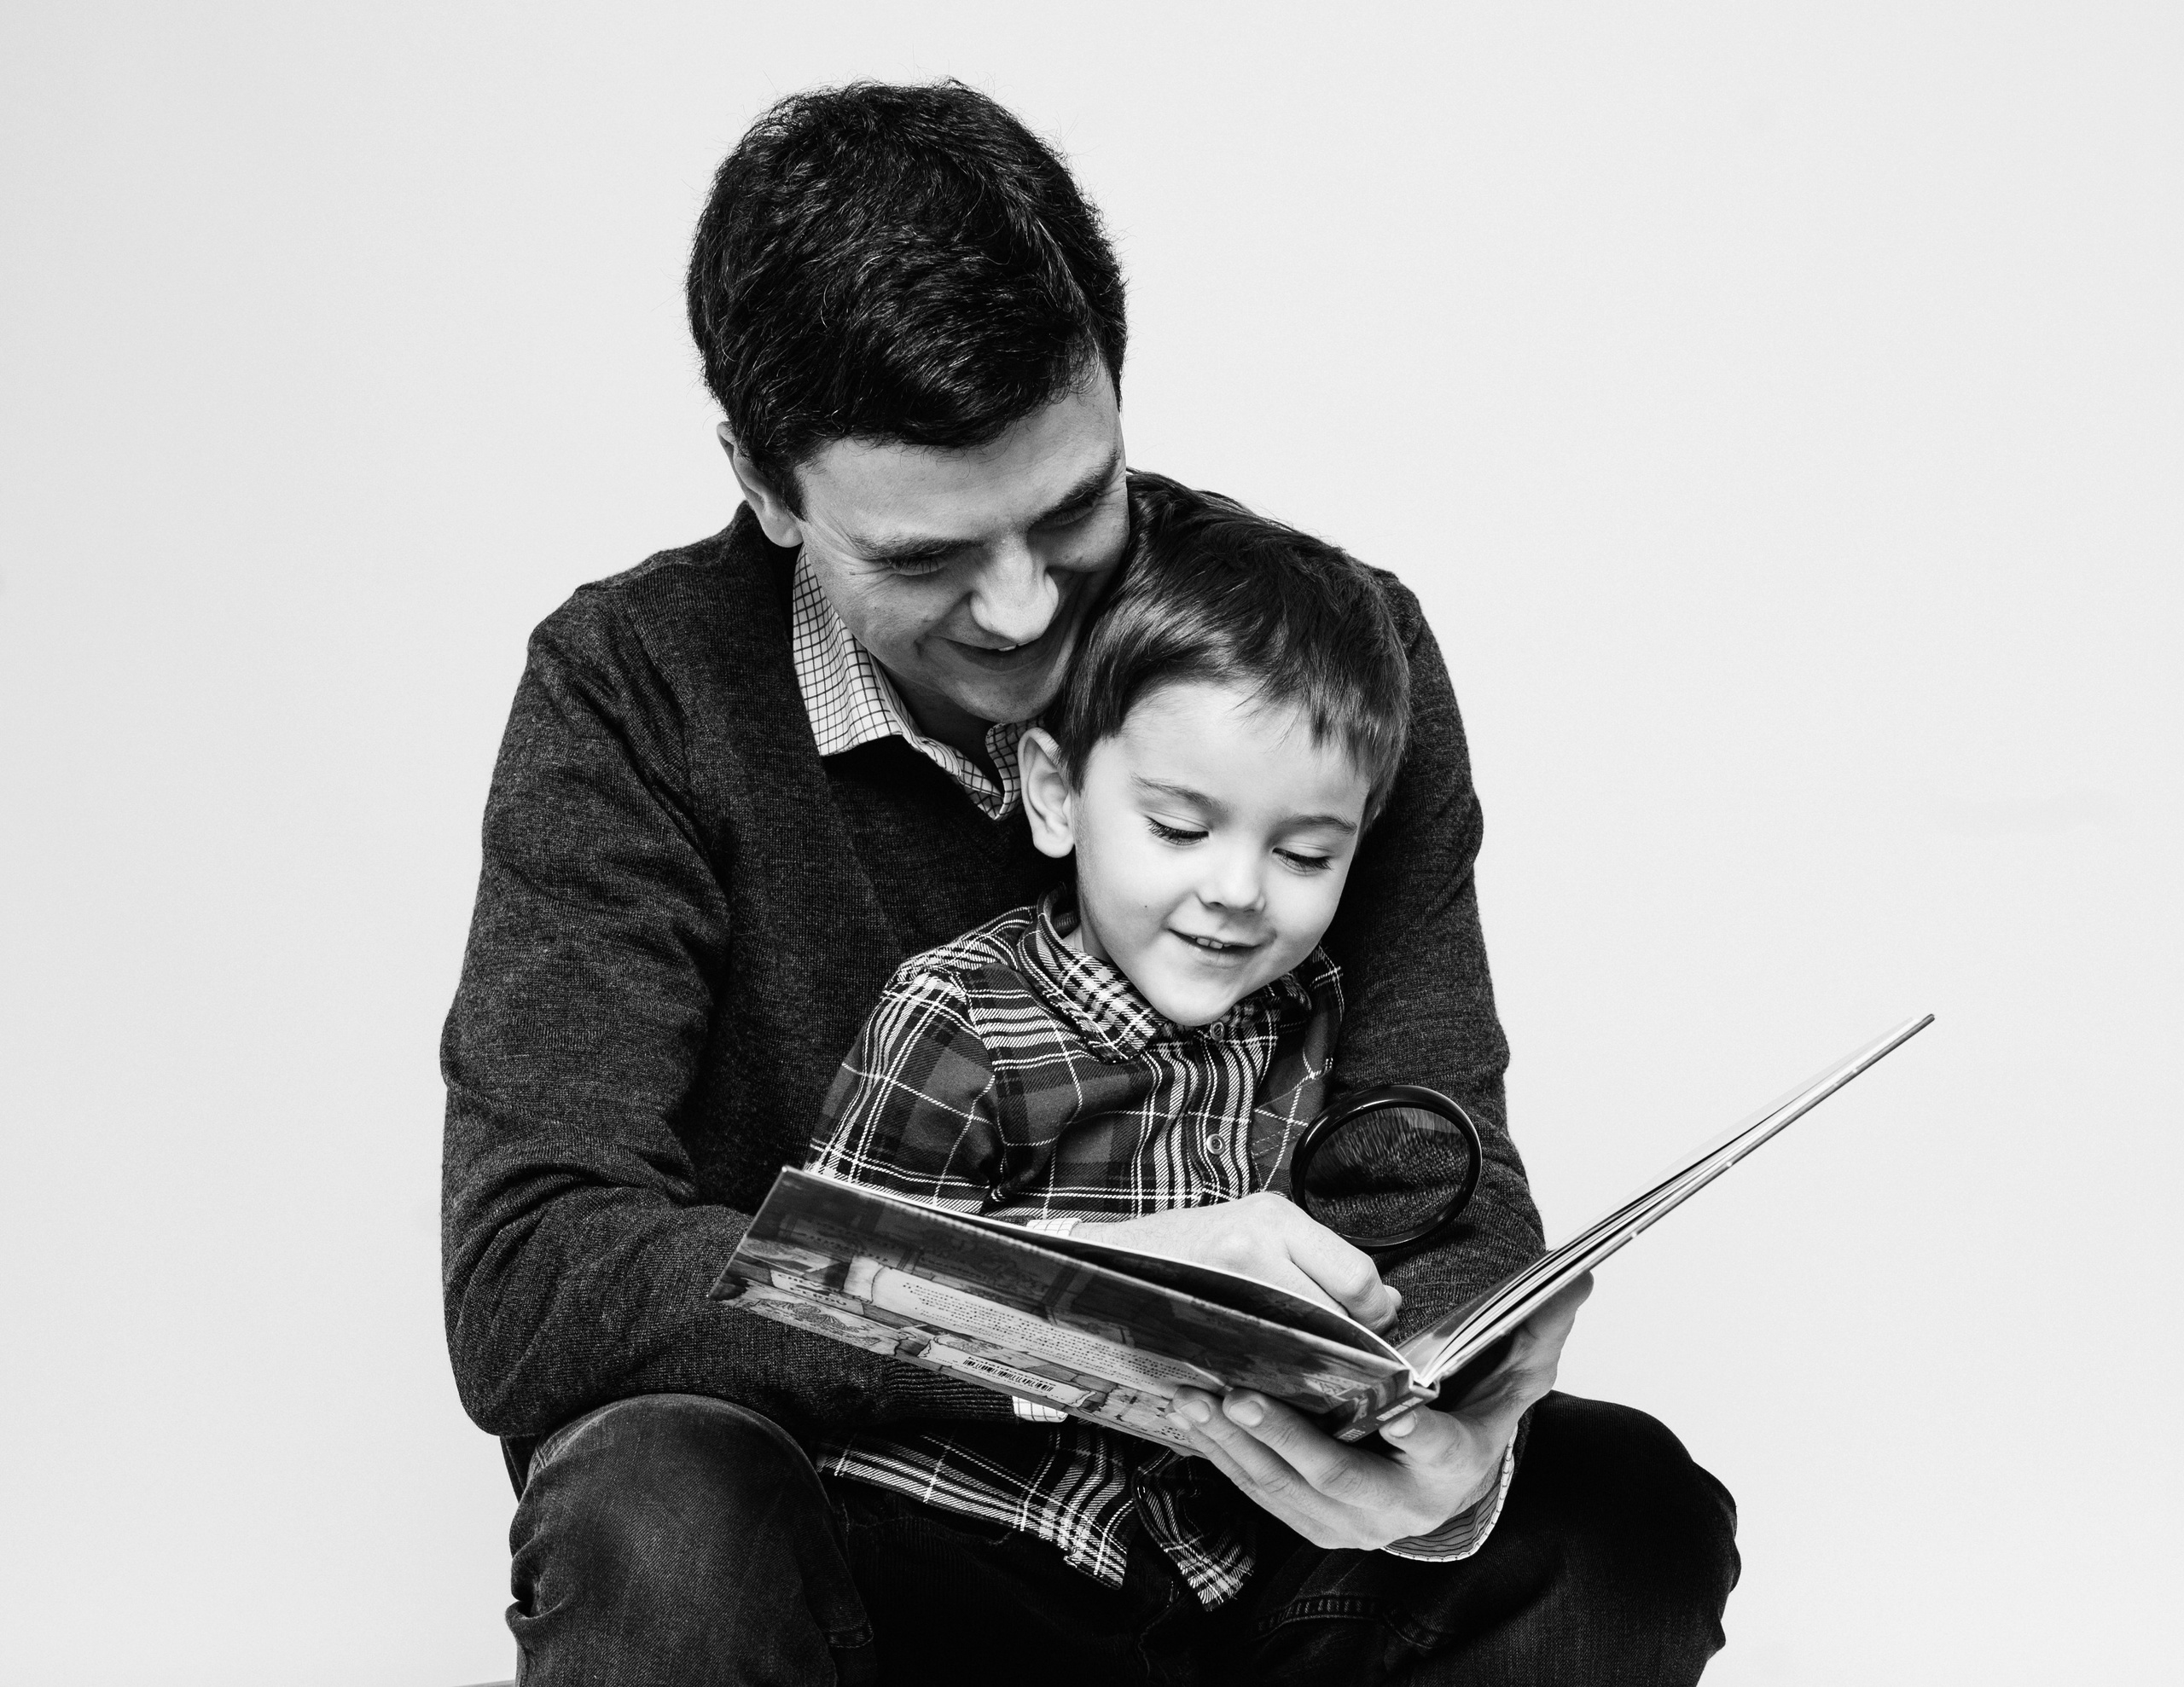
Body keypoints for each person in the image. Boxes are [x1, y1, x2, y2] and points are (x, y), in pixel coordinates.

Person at [440, 78, 1739, 1686]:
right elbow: (535, 1280)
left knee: (1624, 1513)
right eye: (921, 558)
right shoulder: (634, 691)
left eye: (1072, 511)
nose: (1015, 610)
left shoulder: (1332, 660)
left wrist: (1447, 1427)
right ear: (767, 487)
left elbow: (1440, 1180)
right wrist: (1078, 1308)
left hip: (1234, 1551)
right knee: (658, 1508)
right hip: (873, 1557)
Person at [794, 474, 1531, 1605]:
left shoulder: (1307, 1018)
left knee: (1641, 1502)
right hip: (963, 1534)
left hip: (1191, 1559)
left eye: (1305, 855)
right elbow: (834, 1301)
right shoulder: (958, 1017)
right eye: (1179, 827)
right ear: (1053, 794)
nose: (1237, 891)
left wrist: (1410, 1370)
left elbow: (1435, 1190)